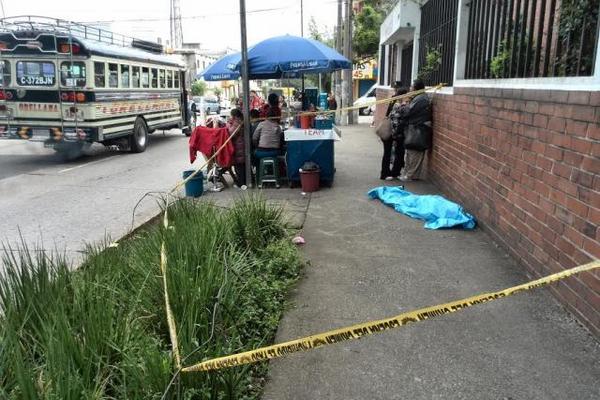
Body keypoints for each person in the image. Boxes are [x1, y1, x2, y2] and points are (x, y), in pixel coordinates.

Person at [399, 79, 431, 181]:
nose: (410, 88)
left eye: (412, 87)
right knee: (409, 152)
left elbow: (408, 111)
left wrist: (403, 106)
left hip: (419, 128)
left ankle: (411, 175)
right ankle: (408, 174)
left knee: (415, 152)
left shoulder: (421, 99)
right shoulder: (417, 97)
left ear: (416, 88)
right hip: (414, 127)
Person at [381, 86, 409, 180]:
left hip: (390, 132)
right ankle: (390, 173)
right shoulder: (398, 105)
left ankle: (389, 173)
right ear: (403, 95)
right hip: (392, 132)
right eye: (407, 95)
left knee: (390, 153)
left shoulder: (394, 101)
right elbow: (395, 122)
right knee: (397, 152)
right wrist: (396, 135)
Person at [228, 108, 247, 189]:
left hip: (239, 148)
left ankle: (241, 184)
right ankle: (243, 182)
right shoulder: (241, 121)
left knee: (239, 167)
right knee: (242, 167)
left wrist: (229, 124)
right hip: (242, 146)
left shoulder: (236, 123)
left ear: (234, 116)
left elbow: (230, 133)